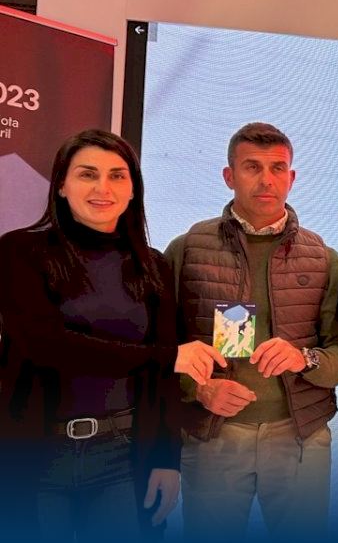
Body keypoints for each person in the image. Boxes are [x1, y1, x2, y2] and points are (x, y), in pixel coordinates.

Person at [0, 129, 226, 540]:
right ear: (62, 185)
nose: (103, 188)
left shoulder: (153, 266)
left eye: (117, 176)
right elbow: (43, 345)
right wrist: (166, 356)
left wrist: (166, 460)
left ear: (133, 190)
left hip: (122, 456)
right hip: (36, 455)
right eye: (87, 174)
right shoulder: (19, 251)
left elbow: (161, 382)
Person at [165, 122, 338, 540]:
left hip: (300, 435)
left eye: (277, 168)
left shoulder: (324, 259)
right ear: (229, 176)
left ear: (292, 177)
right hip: (212, 434)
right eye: (252, 167)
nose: (266, 179)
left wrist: (305, 358)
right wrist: (198, 389)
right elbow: (159, 350)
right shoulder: (188, 249)